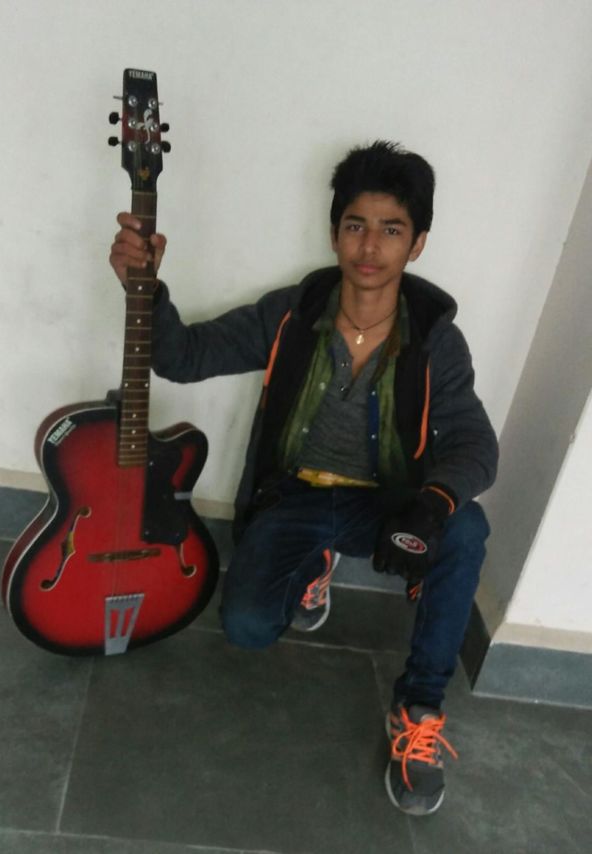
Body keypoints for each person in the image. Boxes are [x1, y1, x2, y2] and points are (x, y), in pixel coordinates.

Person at [109, 140, 498, 817]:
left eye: (392, 229)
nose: (369, 246)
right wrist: (146, 287)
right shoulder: (292, 313)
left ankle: (418, 708)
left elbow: (475, 443)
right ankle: (314, 560)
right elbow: (184, 356)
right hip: (294, 497)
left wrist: (432, 504)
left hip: (384, 505)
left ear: (418, 244)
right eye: (356, 225)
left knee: (468, 527)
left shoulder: (436, 339)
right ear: (334, 233)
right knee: (247, 628)